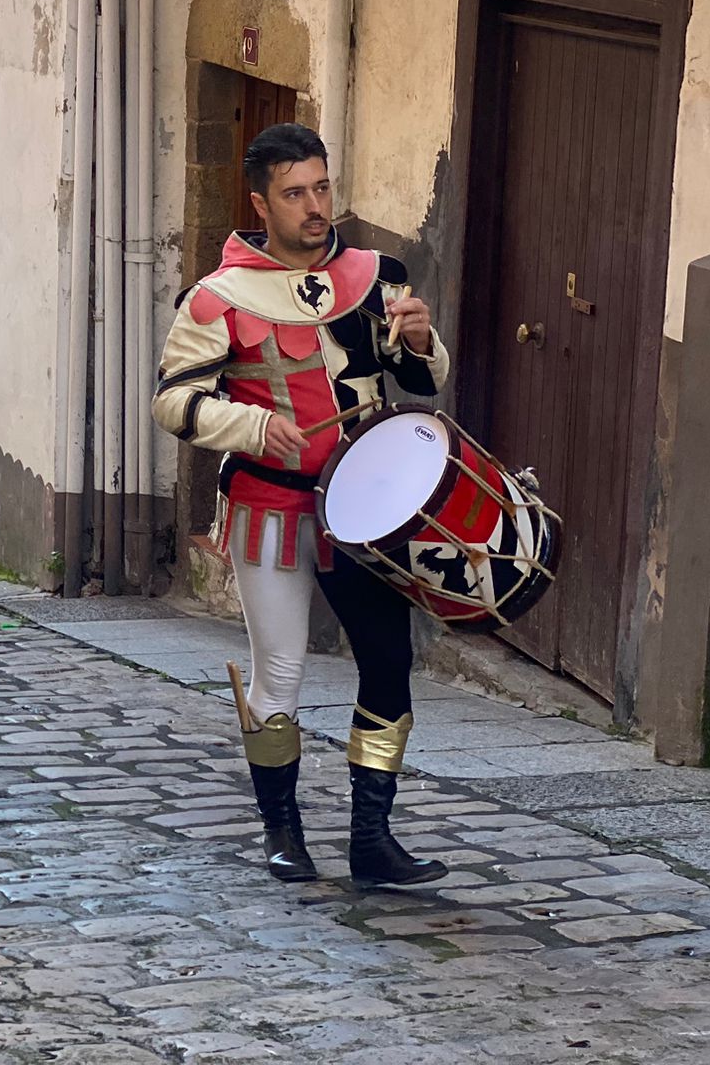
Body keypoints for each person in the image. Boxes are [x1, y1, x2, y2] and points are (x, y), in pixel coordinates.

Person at [154, 123, 448, 889]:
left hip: (368, 510)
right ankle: (282, 831)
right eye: (295, 194)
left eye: (321, 187)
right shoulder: (216, 299)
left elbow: (416, 382)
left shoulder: (377, 273)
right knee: (280, 671)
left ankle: (371, 839)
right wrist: (252, 425)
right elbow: (173, 401)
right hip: (273, 506)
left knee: (388, 662)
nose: (315, 207)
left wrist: (419, 341)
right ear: (260, 203)